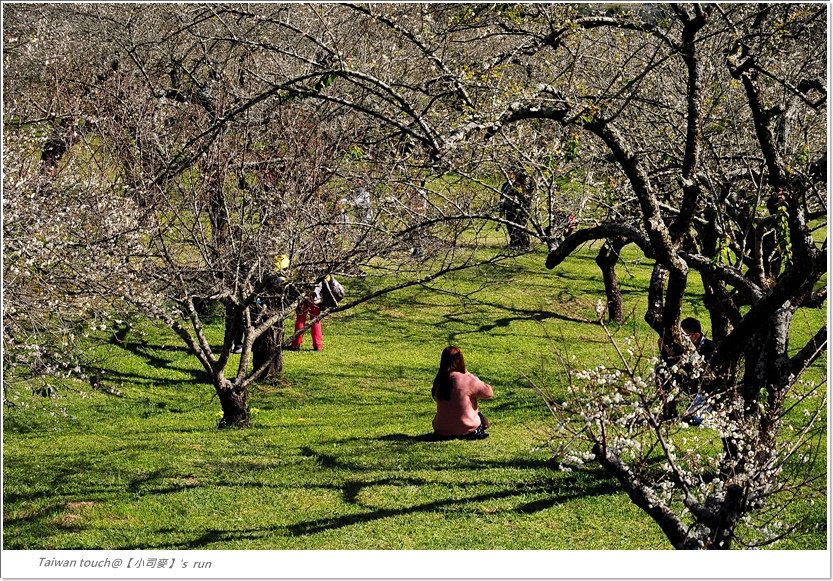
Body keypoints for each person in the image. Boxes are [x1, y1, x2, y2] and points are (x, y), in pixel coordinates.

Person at [431, 346, 493, 439]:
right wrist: (468, 374)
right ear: (460, 360)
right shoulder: (467, 379)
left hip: (441, 430)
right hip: (466, 429)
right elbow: (489, 393)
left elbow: (436, 398)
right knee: (483, 419)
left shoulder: (439, 381)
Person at [680, 317, 716, 426]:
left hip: (707, 390)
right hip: (693, 384)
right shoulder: (682, 348)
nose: (680, 339)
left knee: (692, 419)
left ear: (695, 336)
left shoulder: (710, 349)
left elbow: (709, 376)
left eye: (683, 336)